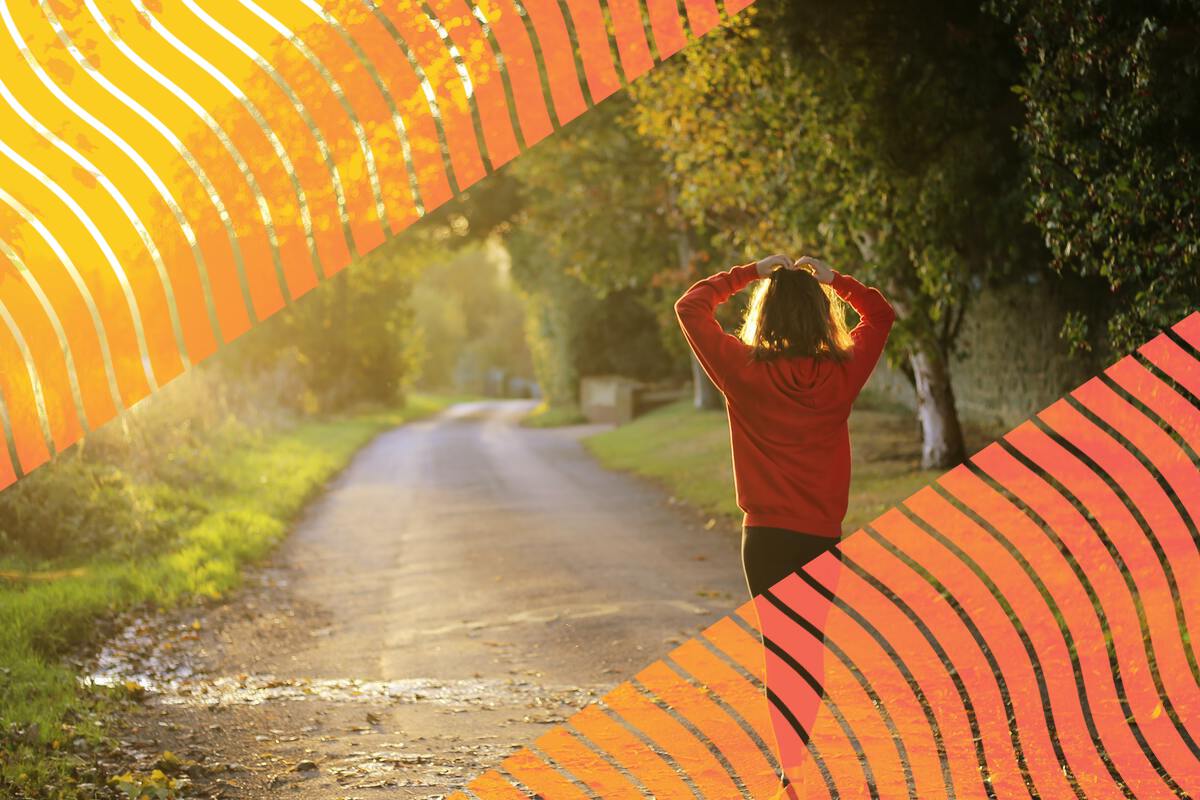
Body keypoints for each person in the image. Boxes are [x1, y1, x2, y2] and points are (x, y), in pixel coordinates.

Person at [674, 253, 896, 794]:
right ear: (821, 317)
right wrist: (835, 280)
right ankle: (796, 759)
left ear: (765, 315)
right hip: (821, 536)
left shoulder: (742, 371)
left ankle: (790, 769)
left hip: (766, 537)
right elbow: (881, 315)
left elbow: (691, 305)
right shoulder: (842, 374)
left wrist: (751, 272)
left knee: (781, 649)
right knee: (808, 645)